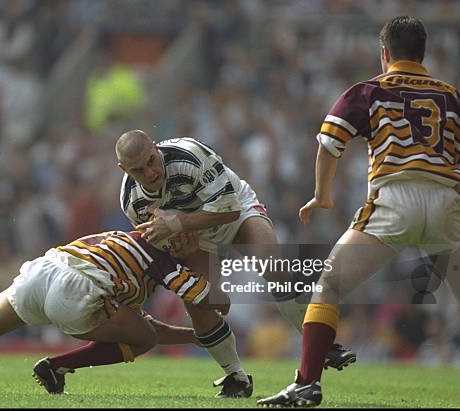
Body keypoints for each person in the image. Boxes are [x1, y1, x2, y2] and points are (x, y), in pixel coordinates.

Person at [257, 16, 460, 407]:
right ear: (424, 53)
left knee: (328, 287)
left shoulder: (369, 90)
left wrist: (322, 195)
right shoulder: (451, 95)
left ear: (384, 54)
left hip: (394, 200)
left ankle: (306, 384)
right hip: (447, 202)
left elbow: (330, 142)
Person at [115, 131, 357, 394]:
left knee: (273, 266)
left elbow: (229, 211)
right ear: (123, 169)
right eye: (138, 170)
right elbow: (165, 245)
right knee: (198, 302)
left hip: (236, 211)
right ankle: (236, 378)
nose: (150, 173)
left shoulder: (191, 155)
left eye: (151, 161)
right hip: (198, 237)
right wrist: (182, 248)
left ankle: (322, 346)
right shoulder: (132, 202)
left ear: (155, 145)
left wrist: (178, 222)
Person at [0, 230, 232, 396]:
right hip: (75, 290)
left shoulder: (117, 237)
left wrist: (195, 339)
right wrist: (218, 314)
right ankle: (56, 365)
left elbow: (139, 323)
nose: (189, 241)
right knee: (144, 340)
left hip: (40, 273)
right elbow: (211, 301)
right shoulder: (162, 261)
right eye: (186, 235)